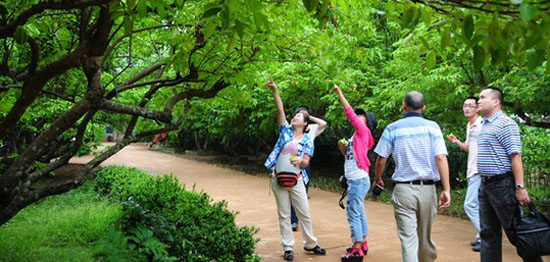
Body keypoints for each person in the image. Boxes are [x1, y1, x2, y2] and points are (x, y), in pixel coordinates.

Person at [373, 91, 451, 262]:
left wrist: (378, 178)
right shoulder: (433, 127)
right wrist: (446, 189)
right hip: (428, 189)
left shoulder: (392, 128)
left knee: (408, 239)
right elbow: (440, 157)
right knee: (424, 237)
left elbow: (381, 160)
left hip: (404, 190)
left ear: (403, 105)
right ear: (424, 108)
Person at [476, 87, 541, 262]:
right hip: (485, 185)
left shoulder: (506, 124)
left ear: (496, 101)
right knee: (488, 234)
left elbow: (516, 156)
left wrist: (520, 187)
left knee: (517, 233)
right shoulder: (484, 124)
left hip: (502, 185)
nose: (478, 101)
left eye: (482, 97)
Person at [264, 78, 326, 261]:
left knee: (304, 212)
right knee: (284, 214)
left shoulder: (308, 140)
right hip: (278, 178)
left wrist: (301, 160)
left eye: (299, 116)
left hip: (297, 179)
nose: (295, 117)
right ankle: (288, 247)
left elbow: (306, 162)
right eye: (295, 115)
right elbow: (280, 109)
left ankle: (311, 243)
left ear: (305, 123)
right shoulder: (285, 131)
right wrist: (275, 90)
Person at [333, 85, 375, 262]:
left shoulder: (363, 131)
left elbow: (349, 113)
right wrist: (344, 150)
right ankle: (362, 242)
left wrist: (339, 93)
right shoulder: (356, 137)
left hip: (358, 180)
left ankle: (357, 249)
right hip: (356, 179)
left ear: (367, 122)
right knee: (359, 211)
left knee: (353, 213)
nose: (357, 116)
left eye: (361, 116)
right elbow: (352, 158)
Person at [446, 96, 483, 252]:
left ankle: (485, 236)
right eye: (464, 105)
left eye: (470, 106)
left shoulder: (482, 124)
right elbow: (468, 147)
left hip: (480, 170)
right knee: (480, 205)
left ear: (477, 108)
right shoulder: (470, 125)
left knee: (470, 204)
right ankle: (482, 237)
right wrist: (456, 142)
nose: (466, 108)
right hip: (472, 169)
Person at [290, 105, 327, 231]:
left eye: (302, 115)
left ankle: (300, 218)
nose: (298, 116)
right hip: (291, 161)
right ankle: (293, 221)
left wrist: (308, 116)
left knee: (302, 191)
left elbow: (324, 123)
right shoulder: (292, 128)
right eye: (298, 114)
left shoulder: (312, 128)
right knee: (291, 189)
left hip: (305, 161)